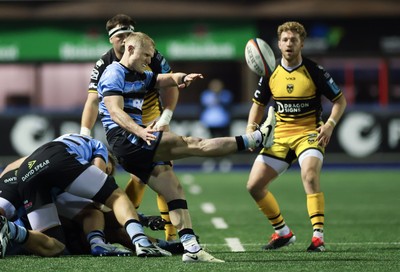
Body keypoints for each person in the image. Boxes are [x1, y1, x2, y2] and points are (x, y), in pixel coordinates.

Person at [97, 31, 275, 262]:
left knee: (174, 190)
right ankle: (257, 139)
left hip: (130, 144)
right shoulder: (114, 72)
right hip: (127, 139)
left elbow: (162, 79)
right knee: (194, 144)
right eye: (146, 55)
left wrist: (182, 77)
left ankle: (191, 249)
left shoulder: (139, 73)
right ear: (130, 49)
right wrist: (140, 130)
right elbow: (114, 110)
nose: (150, 61)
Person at [245, 21, 347, 252]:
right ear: (278, 44)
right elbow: (258, 105)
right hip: (279, 136)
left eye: (294, 40)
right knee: (253, 186)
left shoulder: (314, 71)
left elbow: (340, 101)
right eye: (285, 40)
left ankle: (318, 237)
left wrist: (330, 124)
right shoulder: (270, 72)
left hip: (308, 134)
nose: (289, 43)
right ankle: (283, 233)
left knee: (309, 176)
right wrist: (251, 128)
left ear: (302, 43)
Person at [80, 14, 179, 241]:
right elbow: (93, 100)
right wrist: (85, 133)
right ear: (111, 40)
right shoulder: (104, 64)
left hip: (151, 116)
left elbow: (172, 83)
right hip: (125, 119)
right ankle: (123, 223)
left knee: (164, 169)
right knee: (138, 175)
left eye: (128, 34)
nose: (125, 40)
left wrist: (166, 115)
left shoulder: (151, 56)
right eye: (119, 36)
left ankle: (171, 234)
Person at [13, 133, 172, 258]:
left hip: (25, 174)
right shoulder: (99, 147)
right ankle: (140, 241)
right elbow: (98, 196)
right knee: (116, 197)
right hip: (56, 159)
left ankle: (11, 230)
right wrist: (142, 219)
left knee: (54, 246)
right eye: (109, 170)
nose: (107, 174)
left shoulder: (69, 145)